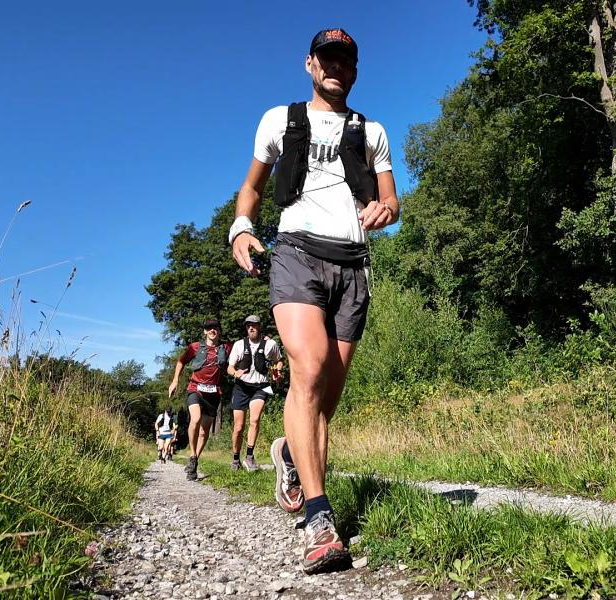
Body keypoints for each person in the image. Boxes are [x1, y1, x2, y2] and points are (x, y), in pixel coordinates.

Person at [228, 27, 399, 573]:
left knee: (325, 398)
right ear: (310, 64)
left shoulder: (371, 131)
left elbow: (392, 200)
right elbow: (253, 187)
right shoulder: (279, 120)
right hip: (296, 253)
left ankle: (288, 452)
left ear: (355, 70)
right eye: (327, 59)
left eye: (346, 61)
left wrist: (385, 210)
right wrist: (241, 227)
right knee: (309, 365)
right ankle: (320, 520)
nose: (336, 68)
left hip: (354, 265)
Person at [168, 318, 232, 481]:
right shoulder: (195, 347)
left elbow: (243, 348)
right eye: (209, 328)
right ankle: (192, 455)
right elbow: (181, 362)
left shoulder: (226, 347)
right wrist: (175, 380)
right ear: (205, 331)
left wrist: (264, 338)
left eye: (215, 328)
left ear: (219, 331)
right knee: (195, 419)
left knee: (204, 432)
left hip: (214, 393)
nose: (212, 330)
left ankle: (195, 459)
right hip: (195, 388)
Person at [227, 315, 283, 471]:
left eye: (254, 325)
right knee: (239, 427)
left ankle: (249, 457)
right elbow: (229, 367)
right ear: (246, 328)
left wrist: (277, 373)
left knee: (255, 419)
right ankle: (236, 459)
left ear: (259, 326)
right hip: (241, 387)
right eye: (248, 326)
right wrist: (235, 373)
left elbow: (279, 360)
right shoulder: (239, 345)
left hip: (261, 386)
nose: (251, 328)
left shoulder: (270, 344)